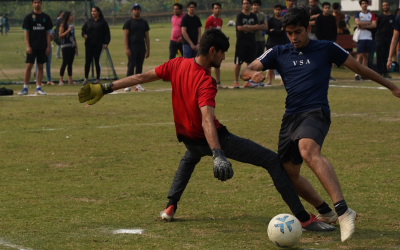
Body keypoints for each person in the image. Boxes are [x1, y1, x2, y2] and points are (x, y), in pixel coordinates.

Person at [78, 28, 335, 232]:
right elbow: (206, 121)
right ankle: (303, 219)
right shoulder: (206, 81)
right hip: (211, 137)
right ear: (212, 50)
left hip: (188, 138)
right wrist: (218, 153)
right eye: (222, 54)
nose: (223, 59)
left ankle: (170, 206)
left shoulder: (176, 64)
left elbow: (141, 77)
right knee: (272, 161)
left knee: (189, 159)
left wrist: (107, 87)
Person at [240, 6, 400, 242]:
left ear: (308, 29)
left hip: (316, 112)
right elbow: (248, 68)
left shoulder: (326, 48)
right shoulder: (278, 51)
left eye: (298, 32)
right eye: (290, 33)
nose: (293, 37)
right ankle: (325, 211)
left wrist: (392, 86)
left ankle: (344, 211)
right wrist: (252, 75)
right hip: (290, 117)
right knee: (288, 173)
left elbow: (360, 68)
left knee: (308, 150)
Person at [18, 0, 53, 96]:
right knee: (29, 65)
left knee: (40, 66)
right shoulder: (29, 17)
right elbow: (26, 32)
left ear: (41, 3)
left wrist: (48, 47)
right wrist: (28, 46)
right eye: (35, 2)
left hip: (42, 46)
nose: (37, 4)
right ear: (32, 4)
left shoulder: (46, 17)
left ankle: (38, 87)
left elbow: (48, 33)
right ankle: (25, 87)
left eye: (39, 2)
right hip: (32, 46)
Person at [233, 0, 263, 88]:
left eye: (247, 3)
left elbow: (257, 27)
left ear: (250, 5)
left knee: (250, 64)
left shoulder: (253, 16)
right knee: (238, 63)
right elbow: (239, 28)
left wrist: (247, 27)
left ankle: (248, 82)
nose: (246, 5)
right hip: (241, 43)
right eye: (244, 3)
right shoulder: (240, 15)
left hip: (251, 42)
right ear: (242, 5)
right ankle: (236, 81)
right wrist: (250, 28)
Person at [123, 3, 150, 92]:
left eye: (138, 9)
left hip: (141, 46)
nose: (136, 11)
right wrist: (127, 48)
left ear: (140, 11)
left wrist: (148, 49)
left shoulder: (144, 22)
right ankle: (128, 84)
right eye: (135, 9)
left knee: (139, 65)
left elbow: (146, 36)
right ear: (132, 11)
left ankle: (137, 84)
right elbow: (126, 36)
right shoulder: (128, 22)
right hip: (132, 46)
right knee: (131, 65)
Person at [81, 6, 110, 85]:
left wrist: (106, 43)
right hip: (89, 44)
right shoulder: (89, 21)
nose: (93, 13)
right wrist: (84, 35)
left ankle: (97, 79)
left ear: (98, 12)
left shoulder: (103, 22)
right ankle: (86, 78)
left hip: (98, 45)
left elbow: (107, 34)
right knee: (88, 61)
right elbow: (83, 30)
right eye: (92, 11)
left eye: (94, 11)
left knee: (97, 61)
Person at [205, 2, 227, 89]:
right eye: (216, 8)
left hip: (218, 46)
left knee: (217, 63)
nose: (217, 10)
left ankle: (218, 82)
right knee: (209, 64)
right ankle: (208, 82)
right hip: (211, 46)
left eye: (219, 8)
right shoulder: (210, 19)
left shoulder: (220, 20)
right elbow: (206, 33)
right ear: (212, 9)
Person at [354, 0, 376, 80]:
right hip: (360, 37)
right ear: (360, 5)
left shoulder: (371, 14)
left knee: (366, 56)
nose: (364, 5)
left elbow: (374, 25)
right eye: (363, 3)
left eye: (365, 3)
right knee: (359, 55)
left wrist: (364, 26)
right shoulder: (358, 14)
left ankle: (364, 73)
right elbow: (357, 22)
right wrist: (368, 23)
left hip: (368, 37)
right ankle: (357, 73)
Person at [315, 2, 337, 81]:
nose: (327, 9)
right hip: (321, 42)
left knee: (329, 59)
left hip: (330, 41)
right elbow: (317, 31)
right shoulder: (319, 18)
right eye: (326, 8)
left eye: (328, 8)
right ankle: (321, 75)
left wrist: (333, 40)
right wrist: (321, 41)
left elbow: (334, 30)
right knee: (322, 59)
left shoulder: (332, 18)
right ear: (322, 9)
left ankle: (328, 75)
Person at [265, 4, 286, 86]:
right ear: (274, 10)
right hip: (271, 43)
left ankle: (283, 81)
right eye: (276, 9)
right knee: (270, 63)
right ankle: (269, 81)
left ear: (281, 11)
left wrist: (273, 31)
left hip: (281, 43)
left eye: (279, 10)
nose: (278, 11)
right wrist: (277, 31)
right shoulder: (270, 20)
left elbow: (283, 31)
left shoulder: (283, 20)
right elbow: (266, 31)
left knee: (282, 63)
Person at [375, 1, 394, 78]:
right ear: (382, 7)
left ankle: (385, 72)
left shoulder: (393, 17)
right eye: (384, 5)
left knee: (387, 56)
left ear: (389, 6)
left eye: (386, 5)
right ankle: (379, 73)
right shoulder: (380, 17)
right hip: (380, 38)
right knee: (379, 56)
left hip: (389, 39)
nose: (385, 6)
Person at [58, 11, 78, 85]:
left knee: (70, 63)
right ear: (67, 17)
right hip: (65, 46)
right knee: (65, 62)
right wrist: (68, 30)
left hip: (71, 46)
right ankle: (61, 80)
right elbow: (60, 36)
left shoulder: (71, 26)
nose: (72, 17)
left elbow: (74, 37)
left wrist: (76, 47)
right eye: (71, 16)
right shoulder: (63, 25)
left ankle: (70, 80)